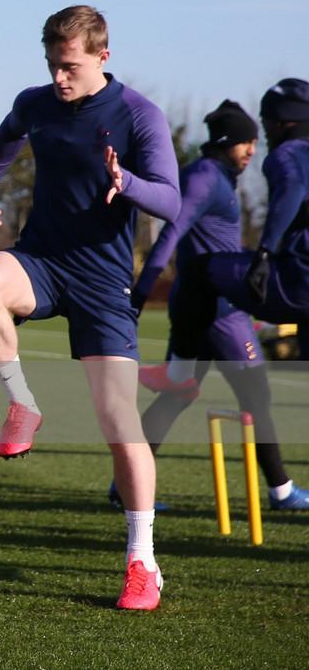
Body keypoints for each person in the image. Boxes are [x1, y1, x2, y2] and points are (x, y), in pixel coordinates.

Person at [0, 5, 181, 610]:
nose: (59, 78)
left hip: (103, 282)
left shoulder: (139, 115)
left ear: (102, 57)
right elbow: (8, 133)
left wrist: (128, 183)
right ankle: (22, 405)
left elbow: (171, 200)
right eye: (52, 65)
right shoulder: (36, 102)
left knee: (118, 422)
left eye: (70, 66)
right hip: (42, 261)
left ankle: (142, 561)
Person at [120, 101, 309, 512]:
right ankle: (281, 491)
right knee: (256, 393)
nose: (253, 151)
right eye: (247, 143)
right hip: (218, 314)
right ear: (229, 142)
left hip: (211, 305)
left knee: (177, 393)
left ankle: (125, 484)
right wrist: (141, 291)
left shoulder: (221, 176)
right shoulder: (205, 178)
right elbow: (171, 234)